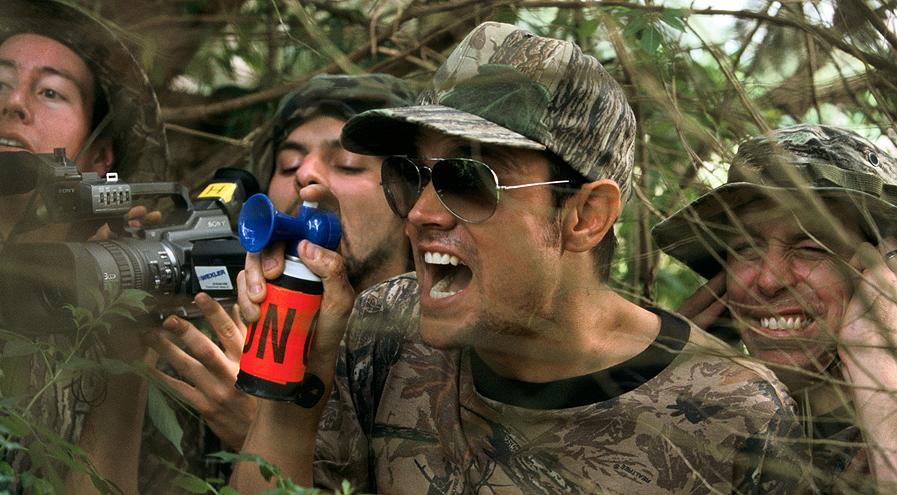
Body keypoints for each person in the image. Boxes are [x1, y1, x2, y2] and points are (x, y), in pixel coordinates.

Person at [230, 22, 810, 494]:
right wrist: (297, 374)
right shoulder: (384, 328)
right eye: (411, 176)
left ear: (585, 217)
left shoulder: (732, 411)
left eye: (468, 180)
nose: (421, 213)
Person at [0, 0, 168, 492]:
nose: (14, 103)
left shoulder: (97, 322)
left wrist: (127, 364)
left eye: (50, 92)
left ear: (99, 158)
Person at [145, 74, 416, 451]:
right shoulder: (217, 349)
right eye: (288, 164)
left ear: (409, 199)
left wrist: (262, 432)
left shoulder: (440, 353)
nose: (305, 174)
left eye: (348, 164)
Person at [653, 124, 897, 494]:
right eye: (746, 248)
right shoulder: (719, 423)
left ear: (881, 270)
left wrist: (878, 361)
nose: (768, 280)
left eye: (811, 247)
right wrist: (658, 389)